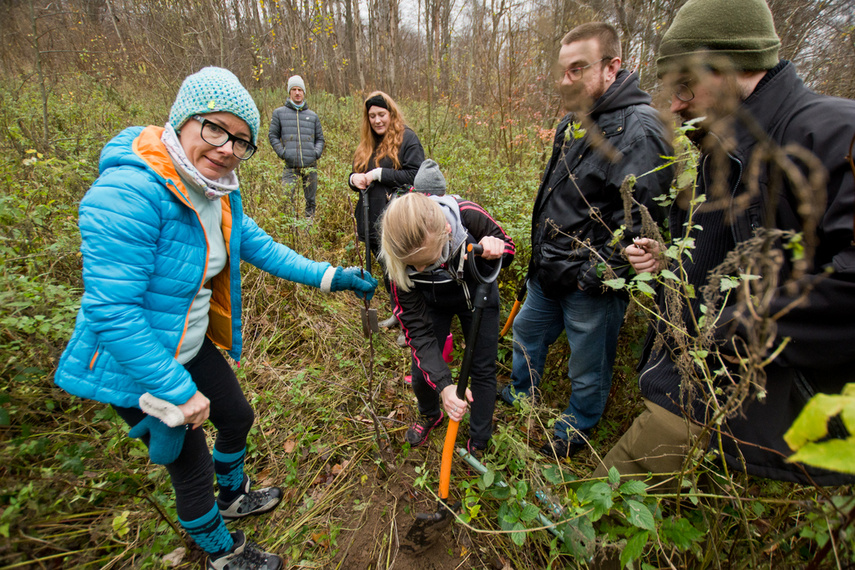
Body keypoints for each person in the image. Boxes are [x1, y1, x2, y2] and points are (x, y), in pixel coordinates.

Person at [53, 67, 378, 569]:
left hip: (188, 340)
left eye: (241, 141)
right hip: (134, 361)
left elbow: (264, 249)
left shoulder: (215, 190)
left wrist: (333, 276)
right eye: (215, 130)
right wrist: (177, 391)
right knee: (190, 464)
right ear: (182, 120)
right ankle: (222, 554)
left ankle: (233, 496)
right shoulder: (129, 191)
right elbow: (110, 310)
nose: (227, 148)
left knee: (237, 417)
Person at [596, 0, 855, 487]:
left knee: (597, 511)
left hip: (743, 409)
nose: (674, 104)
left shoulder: (834, 134)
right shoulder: (723, 151)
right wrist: (667, 261)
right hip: (687, 386)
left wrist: (731, 331)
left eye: (685, 84)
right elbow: (725, 256)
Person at [498, 23, 674, 459]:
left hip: (588, 283)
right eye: (563, 71)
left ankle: (578, 424)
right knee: (526, 332)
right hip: (549, 269)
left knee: (588, 364)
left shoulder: (639, 131)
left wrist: (593, 275)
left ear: (612, 67)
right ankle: (524, 394)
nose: (566, 81)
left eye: (578, 69)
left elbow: (644, 228)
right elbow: (556, 195)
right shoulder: (575, 120)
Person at [380, 183, 515, 452]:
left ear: (447, 232)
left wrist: (493, 249)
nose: (419, 269)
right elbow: (417, 332)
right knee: (421, 371)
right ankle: (431, 414)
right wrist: (444, 386)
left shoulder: (466, 214)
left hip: (479, 295)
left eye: (428, 262)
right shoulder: (395, 264)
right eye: (413, 265)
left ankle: (479, 439)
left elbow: (508, 248)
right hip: (434, 303)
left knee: (482, 368)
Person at [349, 91, 425, 328]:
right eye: (372, 116)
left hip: (398, 221)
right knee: (387, 272)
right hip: (370, 218)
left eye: (382, 114)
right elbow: (357, 173)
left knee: (403, 273)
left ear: (391, 114)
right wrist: (354, 179)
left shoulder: (407, 139)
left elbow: (416, 175)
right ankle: (398, 312)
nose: (377, 120)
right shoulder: (367, 143)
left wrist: (379, 174)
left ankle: (412, 322)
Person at [268, 75, 325, 217]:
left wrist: (315, 153)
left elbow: (320, 139)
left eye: (300, 89)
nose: (297, 92)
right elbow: (273, 136)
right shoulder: (279, 113)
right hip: (290, 165)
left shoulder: (312, 116)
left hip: (310, 164)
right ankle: (291, 228)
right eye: (294, 89)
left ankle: (308, 228)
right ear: (289, 92)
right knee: (287, 199)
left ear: (304, 92)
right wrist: (283, 153)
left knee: (311, 200)